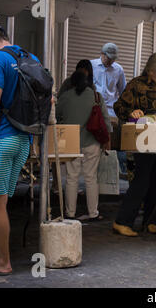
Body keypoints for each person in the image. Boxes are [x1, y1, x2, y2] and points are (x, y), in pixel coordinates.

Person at [0, 21, 39, 275]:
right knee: (2, 200)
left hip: (2, 140)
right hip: (24, 140)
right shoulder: (30, 57)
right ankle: (3, 256)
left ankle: (3, 262)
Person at [113, 52, 156, 237]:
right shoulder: (136, 85)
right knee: (141, 182)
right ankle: (122, 221)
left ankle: (150, 220)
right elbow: (118, 107)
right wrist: (133, 111)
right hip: (142, 141)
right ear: (152, 71)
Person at [56, 64, 112, 221]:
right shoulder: (96, 96)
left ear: (72, 83)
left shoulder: (65, 97)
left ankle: (70, 213)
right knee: (90, 177)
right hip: (92, 142)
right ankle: (93, 213)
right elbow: (106, 120)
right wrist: (108, 139)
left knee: (72, 178)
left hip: (71, 142)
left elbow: (55, 116)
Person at [91, 43, 127, 175]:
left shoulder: (118, 69)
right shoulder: (91, 65)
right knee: (94, 139)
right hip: (93, 107)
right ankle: (93, 167)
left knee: (108, 138)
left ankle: (106, 169)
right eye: (109, 58)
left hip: (110, 109)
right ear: (102, 54)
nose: (111, 61)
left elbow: (123, 90)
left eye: (113, 58)